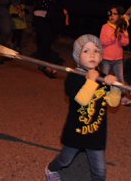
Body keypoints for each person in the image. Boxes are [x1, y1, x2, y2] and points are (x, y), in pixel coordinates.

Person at [45, 34, 121, 181]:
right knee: (65, 160)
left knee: (100, 170)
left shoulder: (102, 77)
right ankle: (51, 169)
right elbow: (82, 100)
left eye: (96, 51)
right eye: (86, 51)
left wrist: (115, 87)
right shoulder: (73, 78)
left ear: (100, 57)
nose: (92, 54)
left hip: (96, 133)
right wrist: (91, 82)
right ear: (77, 56)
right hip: (76, 131)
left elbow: (112, 103)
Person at [31, 0, 66, 78]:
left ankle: (42, 62)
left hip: (52, 15)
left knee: (48, 40)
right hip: (39, 14)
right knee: (44, 39)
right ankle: (45, 66)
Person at [100, 5, 131, 106]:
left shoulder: (121, 28)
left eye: (115, 14)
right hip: (106, 58)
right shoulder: (105, 27)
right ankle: (101, 96)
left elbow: (125, 43)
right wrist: (114, 35)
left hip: (118, 59)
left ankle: (124, 98)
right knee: (104, 79)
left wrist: (124, 34)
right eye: (110, 13)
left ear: (119, 16)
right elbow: (103, 42)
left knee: (120, 79)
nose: (112, 16)